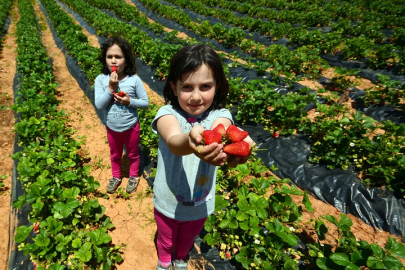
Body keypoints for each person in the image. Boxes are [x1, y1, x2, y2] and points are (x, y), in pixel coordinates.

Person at [151, 44, 252, 270]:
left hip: (200, 203)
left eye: (205, 86)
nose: (196, 96)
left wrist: (241, 145)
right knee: (165, 238)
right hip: (168, 201)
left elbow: (222, 128)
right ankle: (164, 261)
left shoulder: (221, 116)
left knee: (187, 238)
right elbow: (174, 141)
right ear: (174, 88)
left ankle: (180, 258)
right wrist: (191, 140)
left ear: (217, 87)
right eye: (187, 86)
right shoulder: (167, 114)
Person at [95, 37, 149, 194]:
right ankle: (116, 176)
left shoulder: (134, 80)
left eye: (118, 57)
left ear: (126, 60)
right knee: (115, 154)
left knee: (133, 153)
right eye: (109, 56)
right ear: (104, 59)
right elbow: (99, 105)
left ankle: (133, 176)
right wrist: (110, 88)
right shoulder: (101, 80)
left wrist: (129, 101)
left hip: (131, 126)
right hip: (112, 128)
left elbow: (145, 103)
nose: (113, 61)